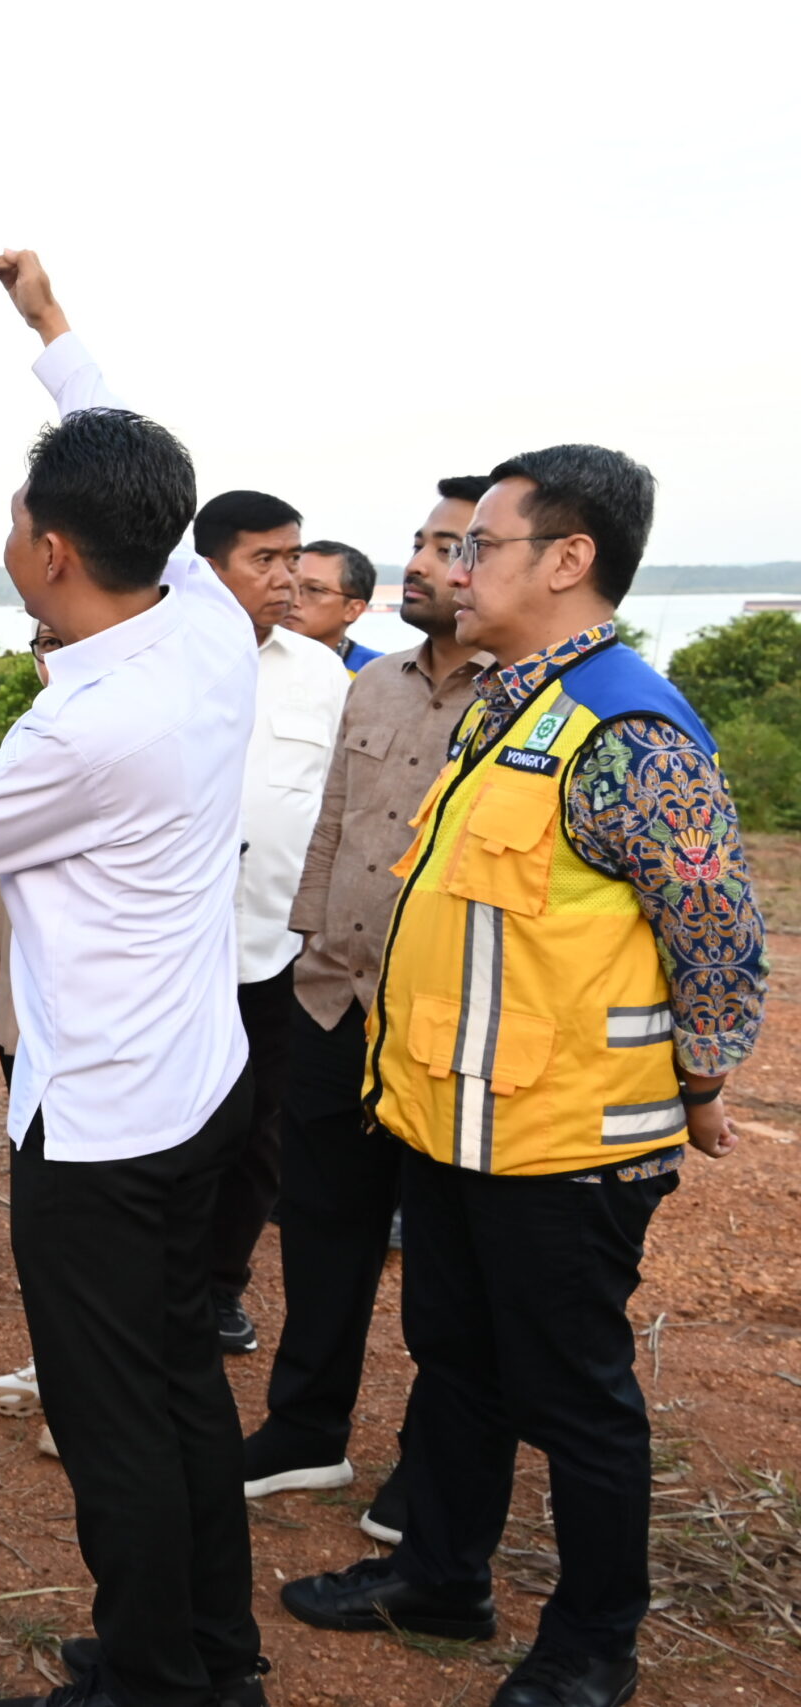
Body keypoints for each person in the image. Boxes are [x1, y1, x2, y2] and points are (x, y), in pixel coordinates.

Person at [282, 448, 764, 1707]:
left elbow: (713, 932)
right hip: (454, 1114)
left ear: (567, 559)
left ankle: (593, 1645)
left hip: (568, 1136)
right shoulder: (508, 701)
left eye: (475, 546)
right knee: (455, 1354)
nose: (449, 566)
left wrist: (701, 1079)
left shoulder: (632, 730)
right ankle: (442, 1576)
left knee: (575, 1395)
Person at [0, 248, 266, 1707]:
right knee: (184, 1380)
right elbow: (127, 448)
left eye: (19, 517)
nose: (9, 532)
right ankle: (214, 1654)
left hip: (107, 1128)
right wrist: (51, 328)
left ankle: (149, 1676)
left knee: (116, 1408)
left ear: (55, 553)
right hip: (198, 1088)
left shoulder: (88, 726)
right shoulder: (200, 617)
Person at [242, 477, 493, 1544]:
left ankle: (430, 1476)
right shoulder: (373, 685)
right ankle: (304, 1430)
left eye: (450, 548)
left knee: (445, 1263)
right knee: (322, 1232)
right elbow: (333, 830)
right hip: (334, 1000)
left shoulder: (525, 696)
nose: (424, 565)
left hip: (444, 1021)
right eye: (421, 543)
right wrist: (307, 949)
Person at [192, 490, 352, 1355]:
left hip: (279, 946)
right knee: (178, 1122)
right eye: (267, 560)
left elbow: (337, 808)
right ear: (211, 568)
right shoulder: (164, 658)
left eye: (295, 559)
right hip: (176, 948)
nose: (288, 578)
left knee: (260, 1129)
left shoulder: (323, 674)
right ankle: (161, 1280)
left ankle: (220, 1286)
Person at [0, 622, 58, 1429]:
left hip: (104, 1025)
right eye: (42, 638)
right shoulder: (43, 724)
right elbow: (17, 863)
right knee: (39, 1178)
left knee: (85, 1198)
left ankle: (82, 1379)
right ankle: (57, 1356)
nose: (51, 650)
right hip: (30, 1005)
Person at [285, 540, 383, 673]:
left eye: (314, 590)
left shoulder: (377, 673)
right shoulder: (252, 656)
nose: (293, 600)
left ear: (353, 610)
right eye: (289, 586)